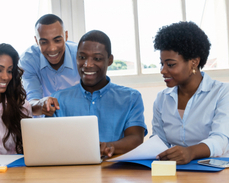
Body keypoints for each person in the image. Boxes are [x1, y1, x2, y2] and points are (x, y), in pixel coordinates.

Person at [51, 30, 147, 158]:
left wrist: (110, 147)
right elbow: (51, 143)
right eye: (82, 57)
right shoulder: (59, 99)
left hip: (114, 172)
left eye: (97, 58)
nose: (88, 64)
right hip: (71, 172)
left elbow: (136, 139)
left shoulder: (130, 98)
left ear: (110, 60)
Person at [152, 21, 229, 164]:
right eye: (161, 64)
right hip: (176, 171)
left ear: (194, 62)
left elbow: (221, 139)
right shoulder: (162, 98)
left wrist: (190, 152)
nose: (163, 70)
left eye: (170, 64)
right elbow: (158, 141)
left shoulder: (222, 93)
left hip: (216, 171)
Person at [19, 14, 80, 116]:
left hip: (78, 117)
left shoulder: (80, 55)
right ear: (36, 41)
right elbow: (32, 99)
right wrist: (40, 103)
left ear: (66, 36)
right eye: (44, 42)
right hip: (45, 122)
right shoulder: (28, 60)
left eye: (57, 40)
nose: (52, 48)